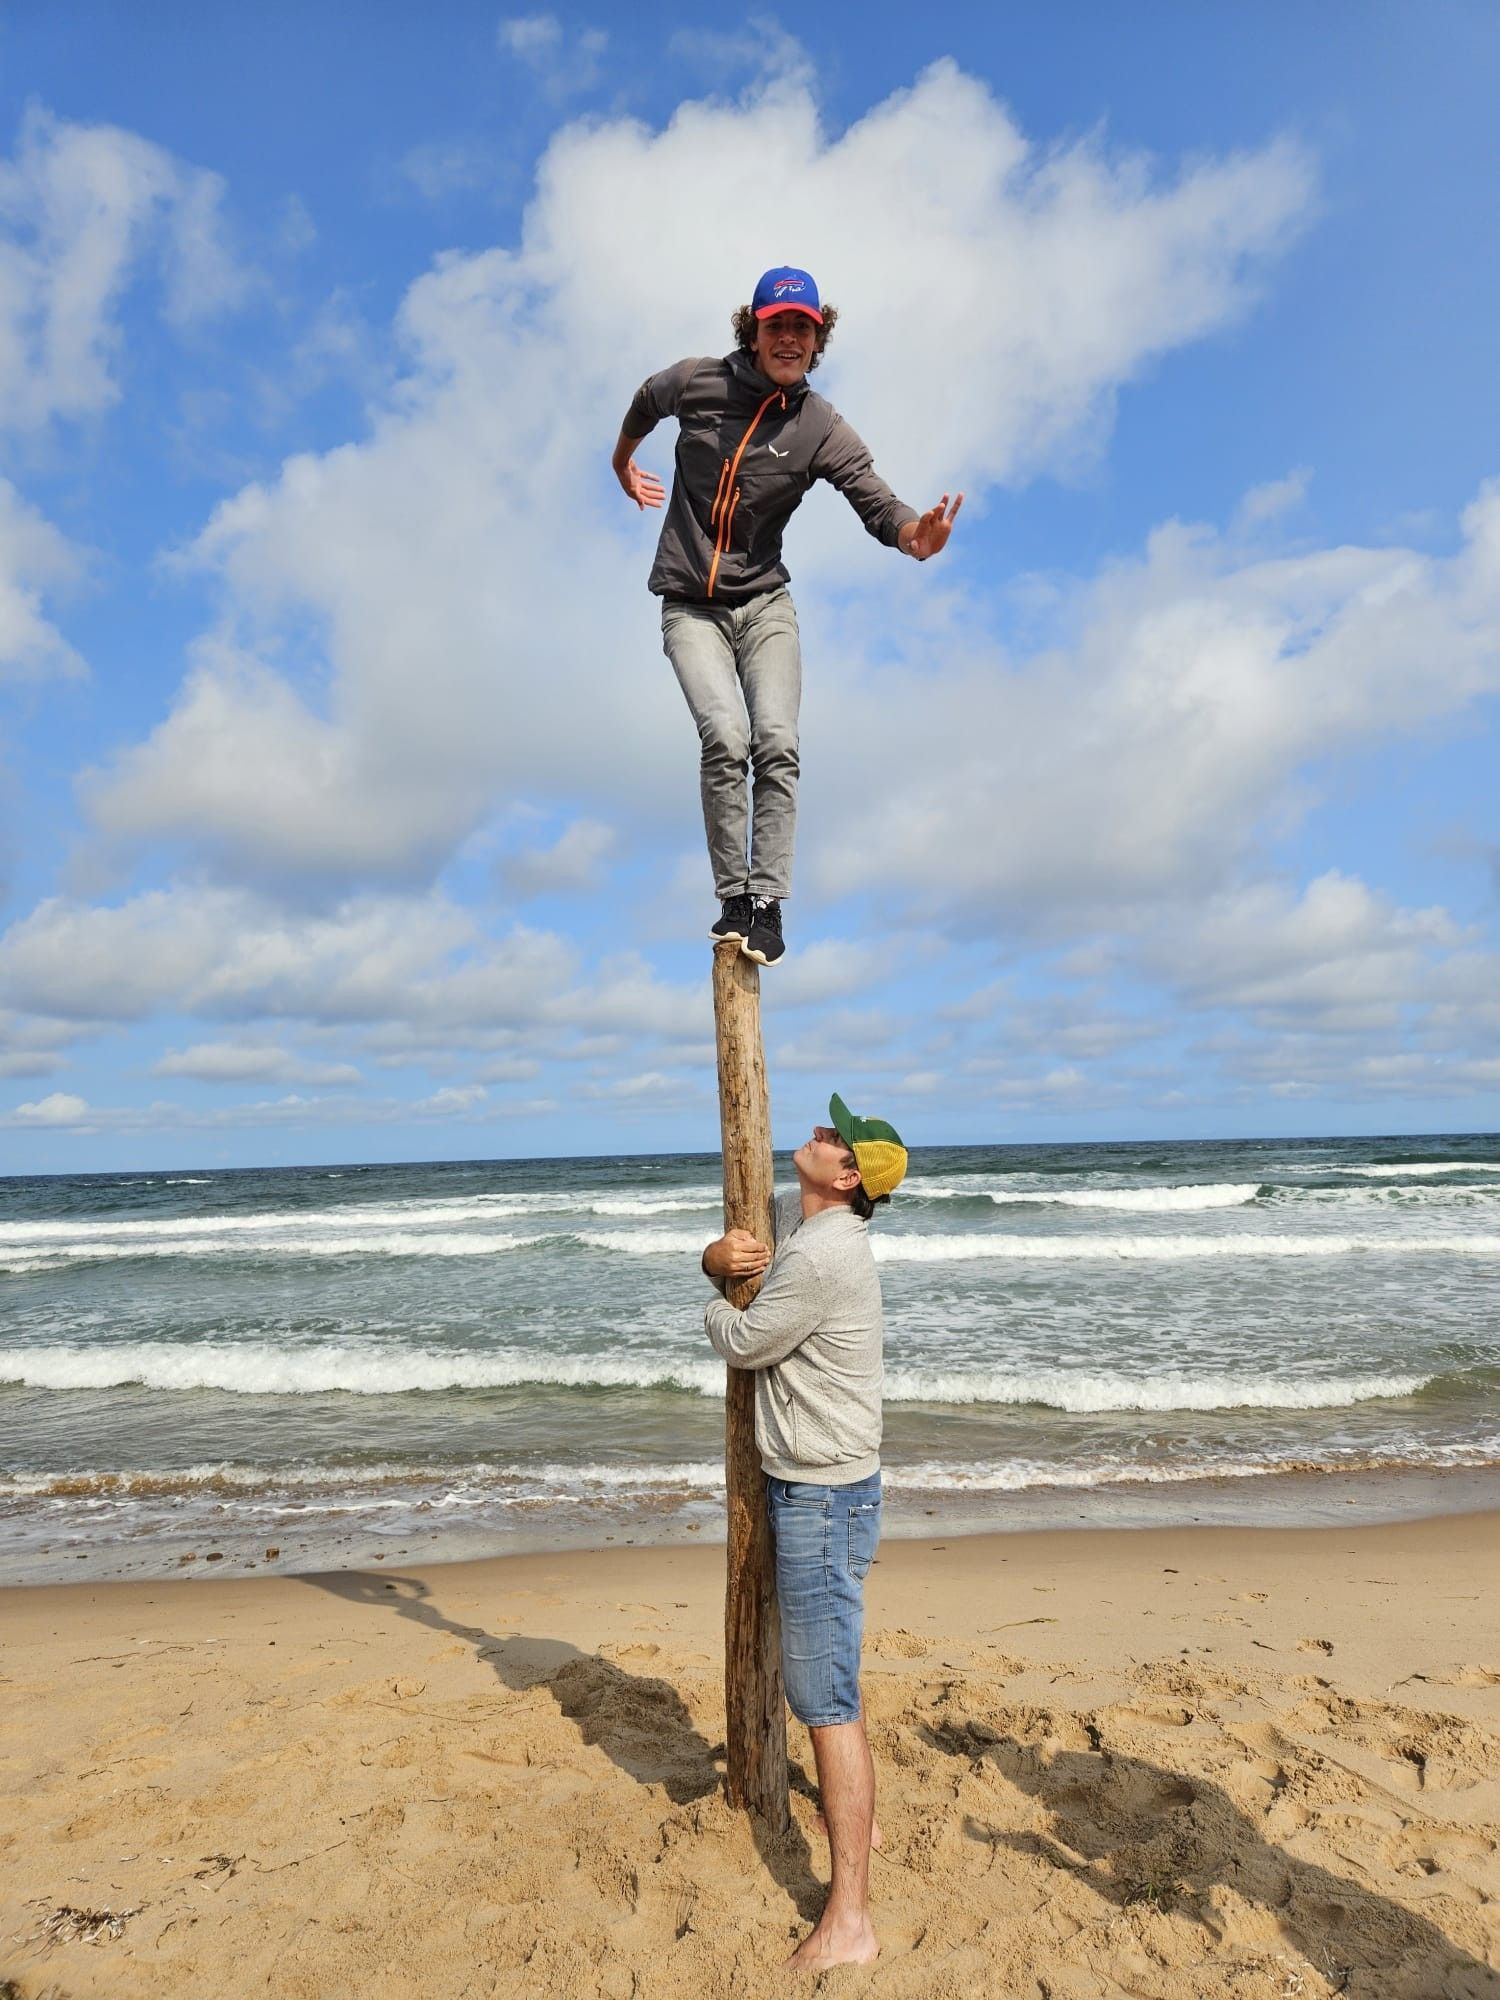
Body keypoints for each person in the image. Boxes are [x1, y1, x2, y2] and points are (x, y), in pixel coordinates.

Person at [613, 267, 961, 966]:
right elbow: (644, 402)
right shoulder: (697, 382)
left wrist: (910, 536)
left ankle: (766, 905)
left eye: (804, 328)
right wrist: (623, 461)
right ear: (755, 329)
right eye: (778, 325)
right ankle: (732, 899)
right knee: (725, 736)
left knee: (775, 740)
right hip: (690, 606)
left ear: (818, 338)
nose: (790, 339)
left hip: (765, 603)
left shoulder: (818, 425)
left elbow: (873, 496)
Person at [700, 1091, 908, 1970]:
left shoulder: (823, 1261)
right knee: (827, 1690)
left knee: (826, 1704)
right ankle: (843, 1866)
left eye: (835, 1138)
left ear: (850, 1174)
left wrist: (710, 1287)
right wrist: (717, 1248)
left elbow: (745, 1340)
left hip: (822, 1499)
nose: (819, 1136)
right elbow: (761, 1229)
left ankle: (849, 1919)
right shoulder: (819, 1230)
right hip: (830, 1489)